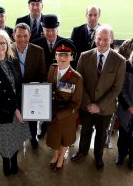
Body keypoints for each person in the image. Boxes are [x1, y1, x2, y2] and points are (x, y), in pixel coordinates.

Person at [71, 25, 126, 171]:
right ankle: (82, 151)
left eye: (105, 40)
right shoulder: (84, 56)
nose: (101, 43)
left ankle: (98, 156)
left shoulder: (120, 61)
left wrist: (99, 105)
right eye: (99, 39)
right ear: (95, 38)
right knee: (85, 130)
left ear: (112, 40)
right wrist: (90, 104)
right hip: (87, 105)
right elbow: (79, 82)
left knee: (101, 134)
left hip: (105, 108)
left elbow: (117, 88)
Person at [0, 30, 30, 176]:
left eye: (3, 43)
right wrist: (15, 110)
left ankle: (13, 161)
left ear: (8, 45)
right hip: (0, 113)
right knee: (4, 142)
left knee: (14, 140)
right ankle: (6, 163)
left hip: (16, 110)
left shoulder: (12, 61)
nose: (0, 46)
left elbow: (18, 85)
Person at [47, 39, 82, 171]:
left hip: (66, 117)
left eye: (66, 55)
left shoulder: (76, 78)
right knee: (54, 138)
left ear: (72, 57)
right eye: (59, 54)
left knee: (64, 139)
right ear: (55, 56)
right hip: (51, 113)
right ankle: (55, 155)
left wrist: (60, 115)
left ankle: (61, 157)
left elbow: (76, 103)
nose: (62, 57)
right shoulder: (51, 69)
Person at [12, 23, 46, 149]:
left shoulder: (38, 51)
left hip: (32, 94)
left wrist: (38, 88)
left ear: (30, 36)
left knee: (32, 118)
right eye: (19, 36)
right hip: (15, 94)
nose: (22, 39)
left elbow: (42, 74)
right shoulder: (7, 50)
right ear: (14, 36)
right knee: (17, 118)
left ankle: (32, 137)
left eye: (25, 36)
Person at [32, 14, 65, 138]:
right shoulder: (35, 44)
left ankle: (53, 129)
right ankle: (42, 127)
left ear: (57, 29)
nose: (50, 33)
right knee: (41, 107)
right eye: (47, 30)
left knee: (56, 109)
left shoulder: (65, 43)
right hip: (42, 83)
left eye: (53, 30)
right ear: (43, 29)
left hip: (59, 84)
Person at [116, 51, 133, 170]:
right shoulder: (127, 65)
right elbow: (122, 88)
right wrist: (129, 106)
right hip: (126, 109)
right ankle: (121, 154)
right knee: (123, 135)